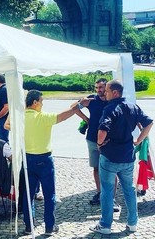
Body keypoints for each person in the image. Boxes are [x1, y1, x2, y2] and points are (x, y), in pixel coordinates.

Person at [89, 80, 153, 235]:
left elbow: (102, 131)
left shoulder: (110, 108)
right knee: (129, 190)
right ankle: (132, 223)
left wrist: (99, 143)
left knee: (107, 191)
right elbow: (149, 123)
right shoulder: (133, 106)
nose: (105, 93)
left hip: (109, 156)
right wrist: (139, 140)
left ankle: (105, 225)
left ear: (115, 92)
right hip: (127, 156)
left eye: (107, 91)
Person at [23, 90, 82, 236]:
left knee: (28, 194)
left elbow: (6, 125)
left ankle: (29, 225)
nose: (42, 104)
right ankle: (49, 226)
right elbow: (63, 116)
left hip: (27, 158)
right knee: (49, 194)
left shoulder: (20, 117)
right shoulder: (42, 117)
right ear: (35, 102)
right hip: (44, 159)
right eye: (41, 102)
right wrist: (79, 105)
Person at [76, 78, 120, 211]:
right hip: (92, 139)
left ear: (107, 88)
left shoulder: (112, 101)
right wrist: (86, 119)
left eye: (101, 87)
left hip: (109, 141)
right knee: (96, 168)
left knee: (112, 170)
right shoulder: (92, 100)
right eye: (97, 88)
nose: (99, 90)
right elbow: (74, 108)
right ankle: (100, 192)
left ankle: (111, 197)